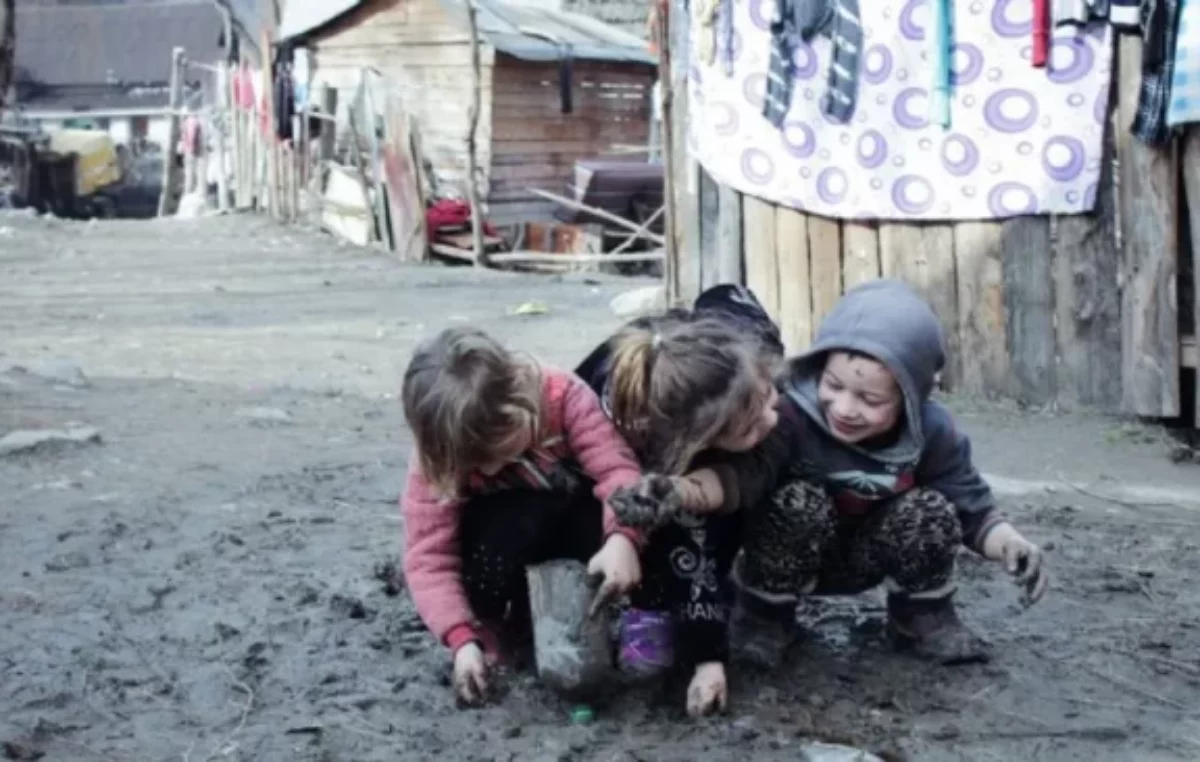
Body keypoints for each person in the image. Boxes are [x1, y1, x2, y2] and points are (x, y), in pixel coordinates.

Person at [632, 279, 1049, 668]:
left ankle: (922, 616)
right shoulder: (792, 415)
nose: (846, 408)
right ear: (819, 368)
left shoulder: (933, 432)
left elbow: (971, 506)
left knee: (931, 509)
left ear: (909, 397)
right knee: (795, 501)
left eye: (869, 399)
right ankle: (764, 618)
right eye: (833, 385)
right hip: (789, 554)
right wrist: (678, 491)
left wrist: (1011, 543)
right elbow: (740, 477)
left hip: (871, 553)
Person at [400, 327, 646, 706]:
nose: (496, 464)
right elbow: (429, 556)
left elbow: (618, 474)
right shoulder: (438, 459)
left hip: (573, 526)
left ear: (519, 401)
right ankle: (498, 631)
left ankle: (586, 612)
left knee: (598, 512)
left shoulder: (563, 396)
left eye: (502, 445)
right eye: (479, 461)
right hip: (499, 547)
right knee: (502, 521)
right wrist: (462, 638)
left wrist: (623, 538)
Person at [576, 284, 785, 717]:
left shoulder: (721, 370)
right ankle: (644, 607)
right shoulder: (608, 404)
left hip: (691, 473)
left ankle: (695, 626)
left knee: (702, 519)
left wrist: (709, 656)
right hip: (593, 480)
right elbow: (617, 487)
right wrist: (625, 539)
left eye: (769, 398)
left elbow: (709, 530)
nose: (773, 420)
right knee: (651, 514)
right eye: (749, 426)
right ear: (694, 441)